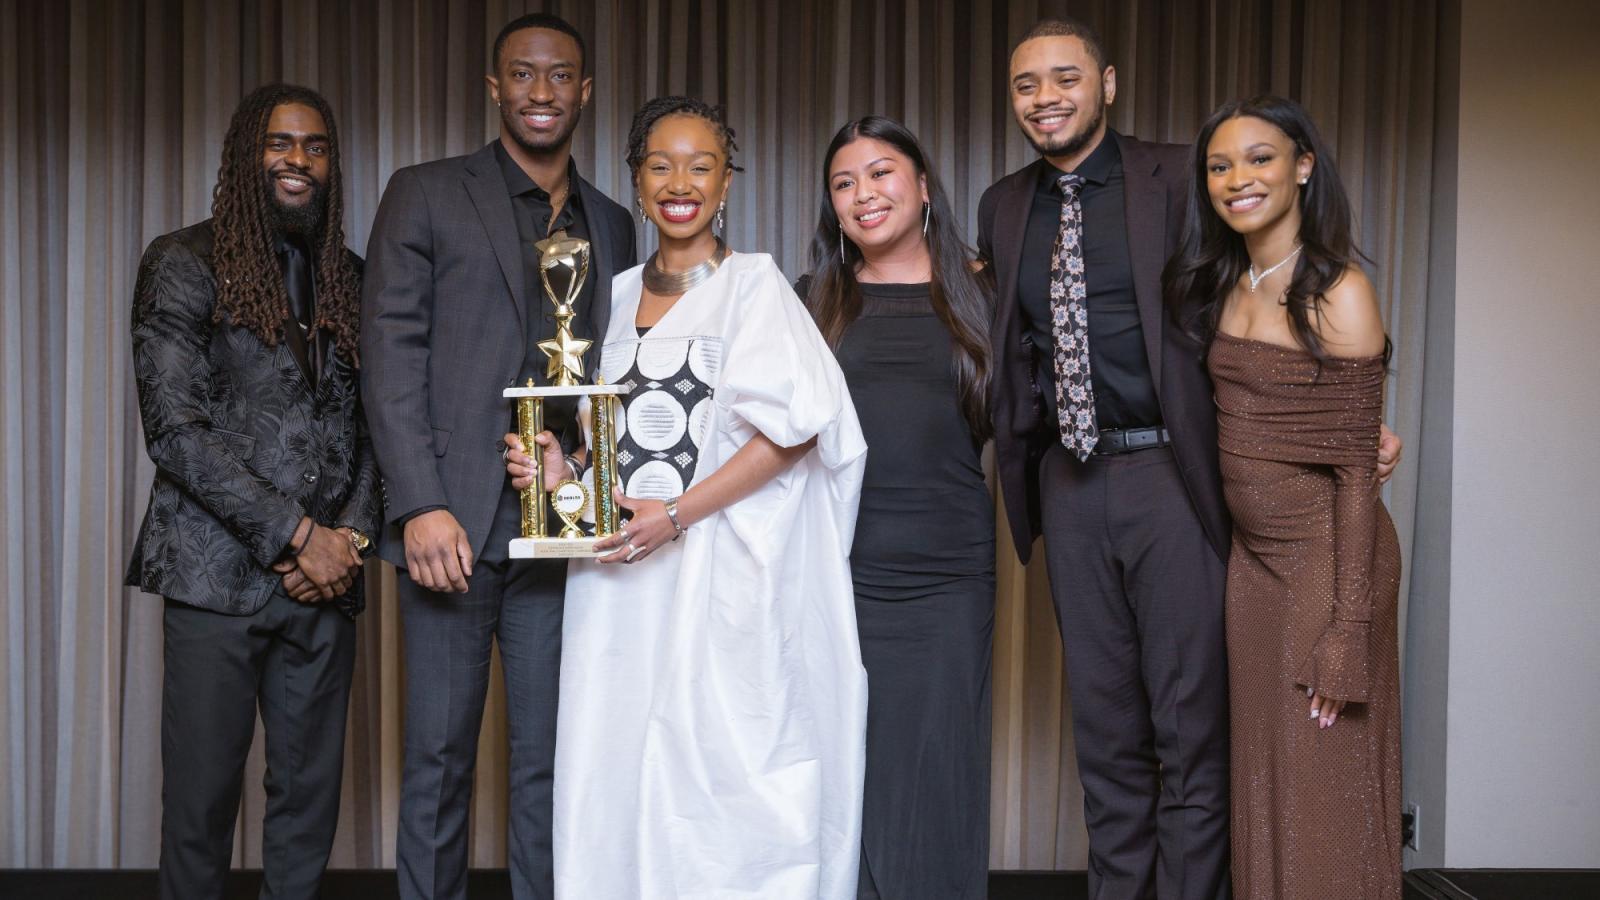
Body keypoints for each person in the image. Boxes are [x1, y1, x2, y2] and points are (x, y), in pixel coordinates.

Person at [975, 19, 1402, 900]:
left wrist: (1346, 427)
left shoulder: (1187, 178)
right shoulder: (1002, 203)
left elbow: (1284, 302)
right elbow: (1011, 346)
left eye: (1066, 77)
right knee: (1106, 737)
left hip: (1173, 478)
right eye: (1026, 84)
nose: (1046, 97)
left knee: (1191, 737)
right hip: (1069, 482)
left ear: (1109, 83)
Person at [504, 96, 868, 899]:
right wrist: (561, 477)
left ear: (726, 182)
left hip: (717, 571)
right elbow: (608, 435)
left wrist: (675, 516)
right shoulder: (613, 294)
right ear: (636, 181)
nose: (681, 182)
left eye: (701, 165)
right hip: (619, 579)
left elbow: (797, 433)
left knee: (722, 770)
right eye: (661, 165)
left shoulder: (755, 287)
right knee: (616, 761)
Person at [359, 13, 636, 900]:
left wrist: (588, 486)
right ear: (494, 87)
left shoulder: (616, 224)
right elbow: (389, 354)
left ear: (585, 92)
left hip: (562, 536)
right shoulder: (426, 191)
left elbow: (615, 380)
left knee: (552, 767)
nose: (542, 92)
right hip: (455, 527)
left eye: (560, 77)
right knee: (437, 763)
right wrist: (418, 503)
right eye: (523, 75)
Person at [127, 82, 378, 900]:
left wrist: (349, 541)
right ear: (246, 154)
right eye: (279, 143)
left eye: (314, 146)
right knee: (200, 808)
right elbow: (175, 432)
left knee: (307, 810)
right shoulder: (182, 262)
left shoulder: (350, 275)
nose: (298, 160)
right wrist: (300, 536)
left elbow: (378, 427)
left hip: (326, 587)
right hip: (212, 583)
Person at [1164, 94, 1403, 900]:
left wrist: (1348, 626)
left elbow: (1354, 475)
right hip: (1253, 566)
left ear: (1304, 167)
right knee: (1263, 780)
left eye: (1260, 158)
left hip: (1329, 563)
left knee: (1319, 789)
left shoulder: (1338, 292)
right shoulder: (1228, 281)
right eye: (1220, 165)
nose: (1238, 179)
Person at [797, 115, 995, 900]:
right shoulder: (812, 301)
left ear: (921, 185)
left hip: (950, 573)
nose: (862, 194)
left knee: (939, 767)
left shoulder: (983, 293)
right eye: (843, 183)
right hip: (838, 569)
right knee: (847, 768)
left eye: (880, 173)